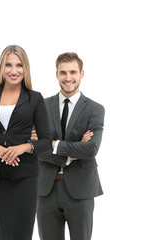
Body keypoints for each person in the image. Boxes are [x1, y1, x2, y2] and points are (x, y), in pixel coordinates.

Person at [0, 45, 52, 240]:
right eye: (9, 65)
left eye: (19, 65)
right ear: (1, 68)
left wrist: (24, 147)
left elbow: (46, 141)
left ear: (26, 68)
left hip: (25, 178)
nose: (14, 71)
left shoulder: (35, 99)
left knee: (22, 235)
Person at [37, 52, 105, 240]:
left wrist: (53, 144)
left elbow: (91, 149)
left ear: (82, 74)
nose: (68, 78)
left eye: (73, 72)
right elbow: (35, 148)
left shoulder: (94, 109)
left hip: (81, 189)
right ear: (56, 74)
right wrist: (71, 153)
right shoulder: (41, 106)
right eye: (63, 73)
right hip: (45, 190)